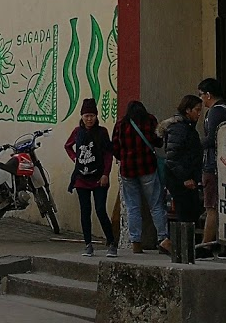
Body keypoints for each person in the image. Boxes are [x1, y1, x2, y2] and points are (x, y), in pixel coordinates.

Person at [112, 100, 170, 254]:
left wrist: (125, 157)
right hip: (148, 169)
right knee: (156, 205)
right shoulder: (150, 120)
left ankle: (136, 242)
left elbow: (115, 149)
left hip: (128, 171)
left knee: (133, 208)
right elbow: (158, 142)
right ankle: (163, 239)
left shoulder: (121, 124)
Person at [65, 98, 116, 258]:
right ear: (82, 116)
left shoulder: (102, 132)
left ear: (96, 116)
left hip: (99, 178)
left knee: (100, 210)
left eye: (92, 115)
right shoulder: (77, 132)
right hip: (81, 178)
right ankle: (88, 244)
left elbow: (109, 154)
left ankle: (112, 243)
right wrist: (75, 159)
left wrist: (105, 174)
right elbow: (68, 146)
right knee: (85, 211)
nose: (89, 119)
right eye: (86, 115)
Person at [197, 77, 226, 258]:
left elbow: (214, 139)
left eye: (201, 95)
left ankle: (206, 246)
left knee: (211, 206)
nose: (201, 100)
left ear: (208, 94)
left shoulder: (215, 112)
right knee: (225, 207)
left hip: (214, 165)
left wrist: (195, 145)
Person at [157, 95, 204, 226]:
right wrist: (185, 178)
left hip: (188, 177)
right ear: (188, 110)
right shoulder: (179, 128)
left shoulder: (187, 127)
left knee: (191, 213)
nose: (199, 114)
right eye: (197, 110)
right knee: (185, 215)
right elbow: (173, 157)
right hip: (180, 179)